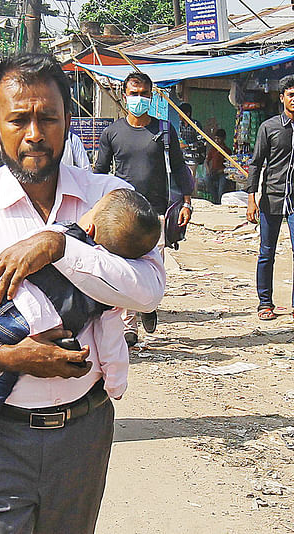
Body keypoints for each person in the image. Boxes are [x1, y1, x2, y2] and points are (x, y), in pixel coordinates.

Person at [0, 53, 165, 533]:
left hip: (84, 436)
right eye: (18, 119)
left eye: (48, 117)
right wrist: (4, 358)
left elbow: (148, 291)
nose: (35, 134)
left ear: (69, 120)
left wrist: (60, 245)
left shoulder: (110, 198)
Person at [0, 189, 160, 492]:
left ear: (91, 226)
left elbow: (8, 254)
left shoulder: (56, 232)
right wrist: (115, 383)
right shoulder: (108, 292)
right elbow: (112, 345)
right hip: (16, 332)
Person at [94, 71, 193, 346]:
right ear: (124, 96)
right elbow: (100, 172)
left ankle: (148, 305)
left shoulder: (163, 130)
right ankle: (129, 326)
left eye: (143, 94)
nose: (138, 99)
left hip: (157, 211)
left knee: (152, 266)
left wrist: (186, 202)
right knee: (125, 267)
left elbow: (181, 168)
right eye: (133, 94)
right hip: (123, 213)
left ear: (151, 97)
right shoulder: (112, 133)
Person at [246, 75, 294, 321]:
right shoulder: (270, 128)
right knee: (267, 252)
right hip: (272, 198)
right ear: (282, 98)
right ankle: (265, 303)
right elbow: (255, 164)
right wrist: (251, 198)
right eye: (291, 95)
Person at [178, 102, 206, 186]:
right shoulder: (181, 125)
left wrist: (187, 146)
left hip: (194, 157)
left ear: (187, 114)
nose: (179, 115)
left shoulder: (195, 125)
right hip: (184, 156)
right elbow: (182, 138)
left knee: (191, 179)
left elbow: (202, 142)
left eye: (180, 113)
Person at [205, 128, 233, 205]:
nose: (216, 141)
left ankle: (220, 201)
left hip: (222, 173)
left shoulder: (227, 150)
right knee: (207, 180)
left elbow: (230, 166)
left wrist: (221, 170)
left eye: (218, 139)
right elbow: (206, 161)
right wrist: (208, 171)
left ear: (223, 139)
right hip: (213, 172)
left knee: (222, 186)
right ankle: (215, 200)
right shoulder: (213, 149)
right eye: (215, 139)